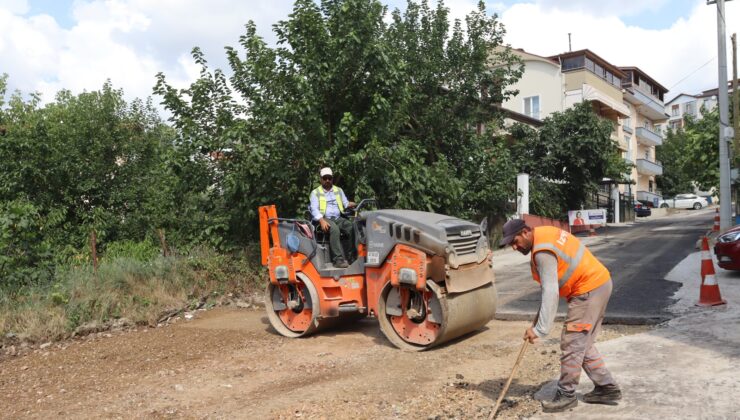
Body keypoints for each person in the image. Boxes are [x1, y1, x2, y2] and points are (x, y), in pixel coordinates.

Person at [499, 219, 621, 413]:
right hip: (599, 284)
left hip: (587, 290)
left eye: (514, 241)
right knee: (582, 342)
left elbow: (550, 291)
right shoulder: (544, 234)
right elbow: (549, 288)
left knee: (572, 342)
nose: (514, 247)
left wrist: (539, 329)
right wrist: (538, 322)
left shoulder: (542, 251)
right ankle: (606, 387)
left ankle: (566, 395)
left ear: (524, 232)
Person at [309, 167, 356, 268]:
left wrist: (354, 204)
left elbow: (345, 203)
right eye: (325, 178)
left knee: (352, 226)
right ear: (321, 179)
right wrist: (321, 220)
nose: (327, 180)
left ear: (332, 179)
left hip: (338, 218)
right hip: (323, 218)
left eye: (329, 178)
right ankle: (337, 260)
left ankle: (351, 256)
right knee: (334, 229)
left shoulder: (338, 190)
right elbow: (314, 209)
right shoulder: (315, 193)